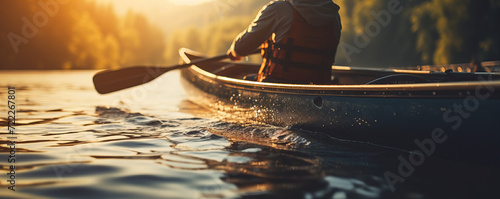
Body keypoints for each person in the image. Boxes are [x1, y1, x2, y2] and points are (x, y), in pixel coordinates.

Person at [227, 0, 342, 84]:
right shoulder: (334, 16)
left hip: (277, 83)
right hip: (318, 87)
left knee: (246, 79)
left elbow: (241, 48)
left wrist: (234, 51)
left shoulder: (279, 9)